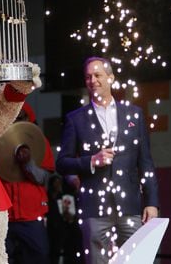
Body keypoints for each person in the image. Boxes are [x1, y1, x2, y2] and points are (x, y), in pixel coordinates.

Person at [56, 56, 159, 264]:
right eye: (88, 77)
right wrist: (91, 161)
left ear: (110, 78)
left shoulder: (134, 115)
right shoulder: (75, 119)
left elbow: (146, 162)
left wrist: (152, 203)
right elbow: (62, 163)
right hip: (94, 209)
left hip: (130, 206)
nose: (92, 80)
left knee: (135, 261)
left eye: (97, 75)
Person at [0, 104, 55, 264]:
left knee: (39, 257)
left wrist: (27, 163)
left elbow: (43, 178)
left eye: (19, 117)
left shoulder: (38, 141)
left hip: (32, 215)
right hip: (3, 216)